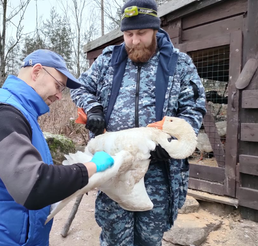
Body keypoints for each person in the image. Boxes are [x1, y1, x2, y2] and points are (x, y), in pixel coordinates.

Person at [71, 0, 207, 245]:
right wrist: (93, 109)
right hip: (113, 168)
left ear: (155, 29)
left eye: (141, 33)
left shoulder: (179, 63)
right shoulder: (107, 60)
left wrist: (171, 143)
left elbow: (194, 107)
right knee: (114, 236)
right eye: (128, 34)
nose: (134, 41)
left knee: (149, 237)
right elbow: (80, 88)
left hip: (157, 171)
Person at [0, 49, 115, 246]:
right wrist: (92, 167)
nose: (59, 95)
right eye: (58, 85)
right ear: (37, 71)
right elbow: (32, 186)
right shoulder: (1, 115)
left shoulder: (22, 113)